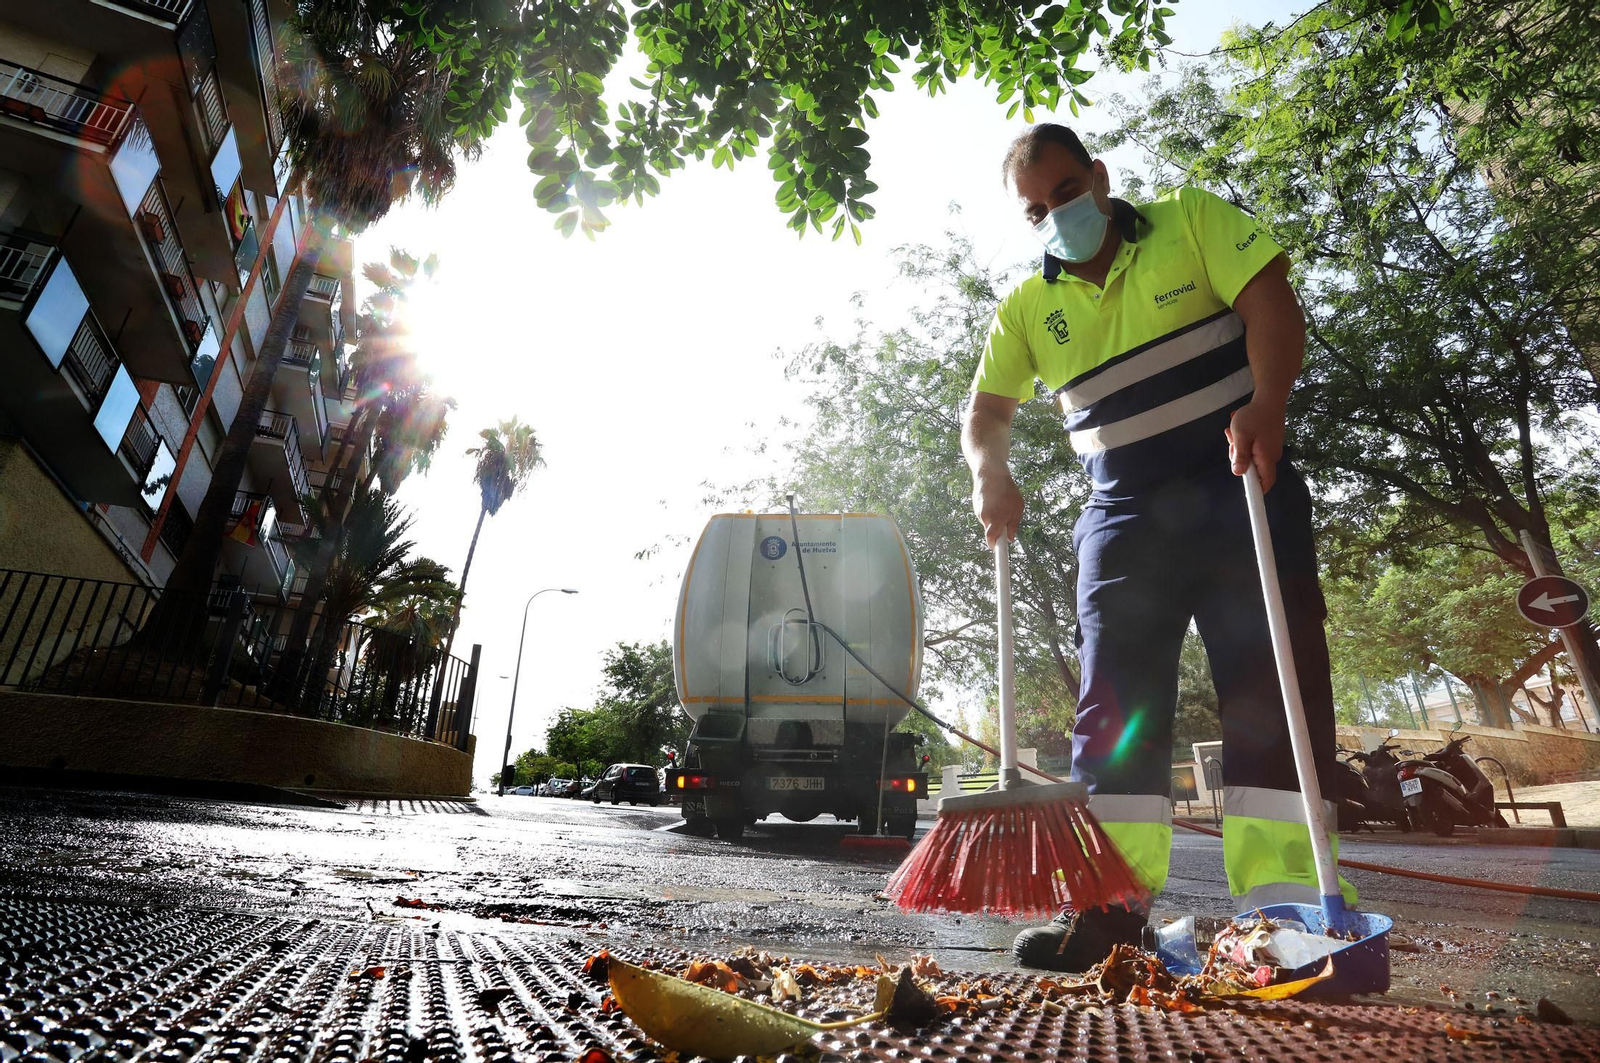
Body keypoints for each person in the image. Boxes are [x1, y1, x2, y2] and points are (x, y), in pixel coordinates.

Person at [964, 124, 1355, 971]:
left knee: (1271, 689)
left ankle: (1288, 912)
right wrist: (990, 471)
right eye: (1035, 210)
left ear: (1100, 178)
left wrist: (1270, 402)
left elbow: (1272, 302)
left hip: (1238, 482)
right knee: (1113, 709)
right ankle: (1108, 912)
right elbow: (987, 412)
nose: (1055, 215)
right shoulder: (1027, 308)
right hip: (1123, 514)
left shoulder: (1190, 220)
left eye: (1067, 192)